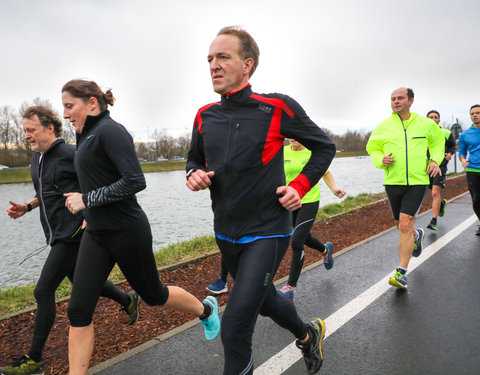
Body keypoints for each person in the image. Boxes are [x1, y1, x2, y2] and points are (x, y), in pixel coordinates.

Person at [186, 26, 336, 374]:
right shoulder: (204, 115)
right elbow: (194, 159)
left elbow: (324, 147)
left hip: (267, 230)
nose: (214, 65)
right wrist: (193, 173)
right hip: (226, 233)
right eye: (210, 58)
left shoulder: (275, 107)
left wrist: (299, 186)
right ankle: (307, 334)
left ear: (247, 65)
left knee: (235, 326)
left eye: (223, 57)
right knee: (266, 300)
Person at [60, 79, 220, 375]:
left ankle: (206, 310)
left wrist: (88, 199)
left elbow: (135, 181)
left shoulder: (111, 131)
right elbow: (97, 178)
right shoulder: (86, 135)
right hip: (96, 233)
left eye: (70, 106)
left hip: (126, 231)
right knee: (78, 310)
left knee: (153, 295)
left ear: (92, 103)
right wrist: (86, 208)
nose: (66, 114)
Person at [2, 106, 139, 375]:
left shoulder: (70, 154)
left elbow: (97, 184)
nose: (26, 135)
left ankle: (34, 358)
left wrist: (91, 212)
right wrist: (27, 207)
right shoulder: (37, 159)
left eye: (31, 130)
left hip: (74, 233)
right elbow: (50, 192)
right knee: (84, 282)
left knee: (43, 291)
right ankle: (128, 300)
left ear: (50, 128)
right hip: (57, 234)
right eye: (24, 131)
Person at [366, 87, 444, 289]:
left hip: (417, 180)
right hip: (393, 181)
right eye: (393, 99)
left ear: (411, 100)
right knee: (401, 227)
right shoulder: (384, 126)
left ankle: (401, 272)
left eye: (400, 98)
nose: (396, 101)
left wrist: (435, 160)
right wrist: (379, 159)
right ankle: (416, 236)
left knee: (406, 222)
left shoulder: (426, 124)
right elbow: (372, 148)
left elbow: (438, 143)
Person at [278, 139, 346, 299]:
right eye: (289, 136)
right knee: (304, 235)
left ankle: (290, 287)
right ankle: (325, 250)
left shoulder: (311, 153)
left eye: (295, 136)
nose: (292, 139)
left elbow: (325, 172)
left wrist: (334, 188)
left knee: (296, 241)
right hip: (289, 201)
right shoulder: (282, 152)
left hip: (309, 200)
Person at [425, 110, 456, 230]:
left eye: (435, 117)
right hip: (426, 167)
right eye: (431, 117)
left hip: (440, 166)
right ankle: (441, 203)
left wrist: (450, 154)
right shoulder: (423, 133)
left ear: (438, 119)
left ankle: (434, 221)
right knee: (432, 192)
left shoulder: (446, 132)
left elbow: (452, 146)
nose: (433, 119)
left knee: (434, 193)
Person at [459, 104, 480, 235]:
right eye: (472, 113)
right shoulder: (465, 135)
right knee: (477, 200)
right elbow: (461, 151)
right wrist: (462, 159)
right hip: (473, 170)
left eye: (477, 112)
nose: (475, 115)